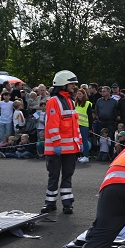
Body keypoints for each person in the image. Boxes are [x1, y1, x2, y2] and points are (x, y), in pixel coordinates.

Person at [42, 70, 83, 215]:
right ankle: (50, 203)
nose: (74, 87)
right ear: (63, 84)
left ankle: (67, 203)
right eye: (72, 84)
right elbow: (52, 125)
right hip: (56, 148)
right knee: (53, 176)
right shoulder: (53, 101)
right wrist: (56, 143)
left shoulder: (71, 101)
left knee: (67, 176)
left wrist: (79, 142)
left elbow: (75, 125)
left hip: (71, 148)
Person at [74, 88, 92, 163]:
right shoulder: (75, 103)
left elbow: (90, 116)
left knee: (84, 141)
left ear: (84, 95)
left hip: (84, 125)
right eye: (78, 94)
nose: (79, 95)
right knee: (78, 141)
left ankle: (86, 156)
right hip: (76, 125)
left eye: (80, 94)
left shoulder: (87, 103)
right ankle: (80, 155)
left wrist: (90, 127)